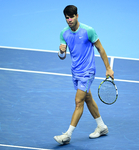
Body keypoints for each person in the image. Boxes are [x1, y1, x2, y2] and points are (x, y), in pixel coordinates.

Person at [54, 5, 114, 145]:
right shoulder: (64, 33)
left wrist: (108, 68)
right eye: (67, 18)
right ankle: (101, 127)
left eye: (71, 17)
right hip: (75, 72)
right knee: (87, 98)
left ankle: (67, 135)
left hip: (87, 72)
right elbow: (62, 56)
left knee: (78, 101)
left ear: (77, 16)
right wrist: (61, 52)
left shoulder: (88, 31)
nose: (69, 20)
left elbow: (101, 49)